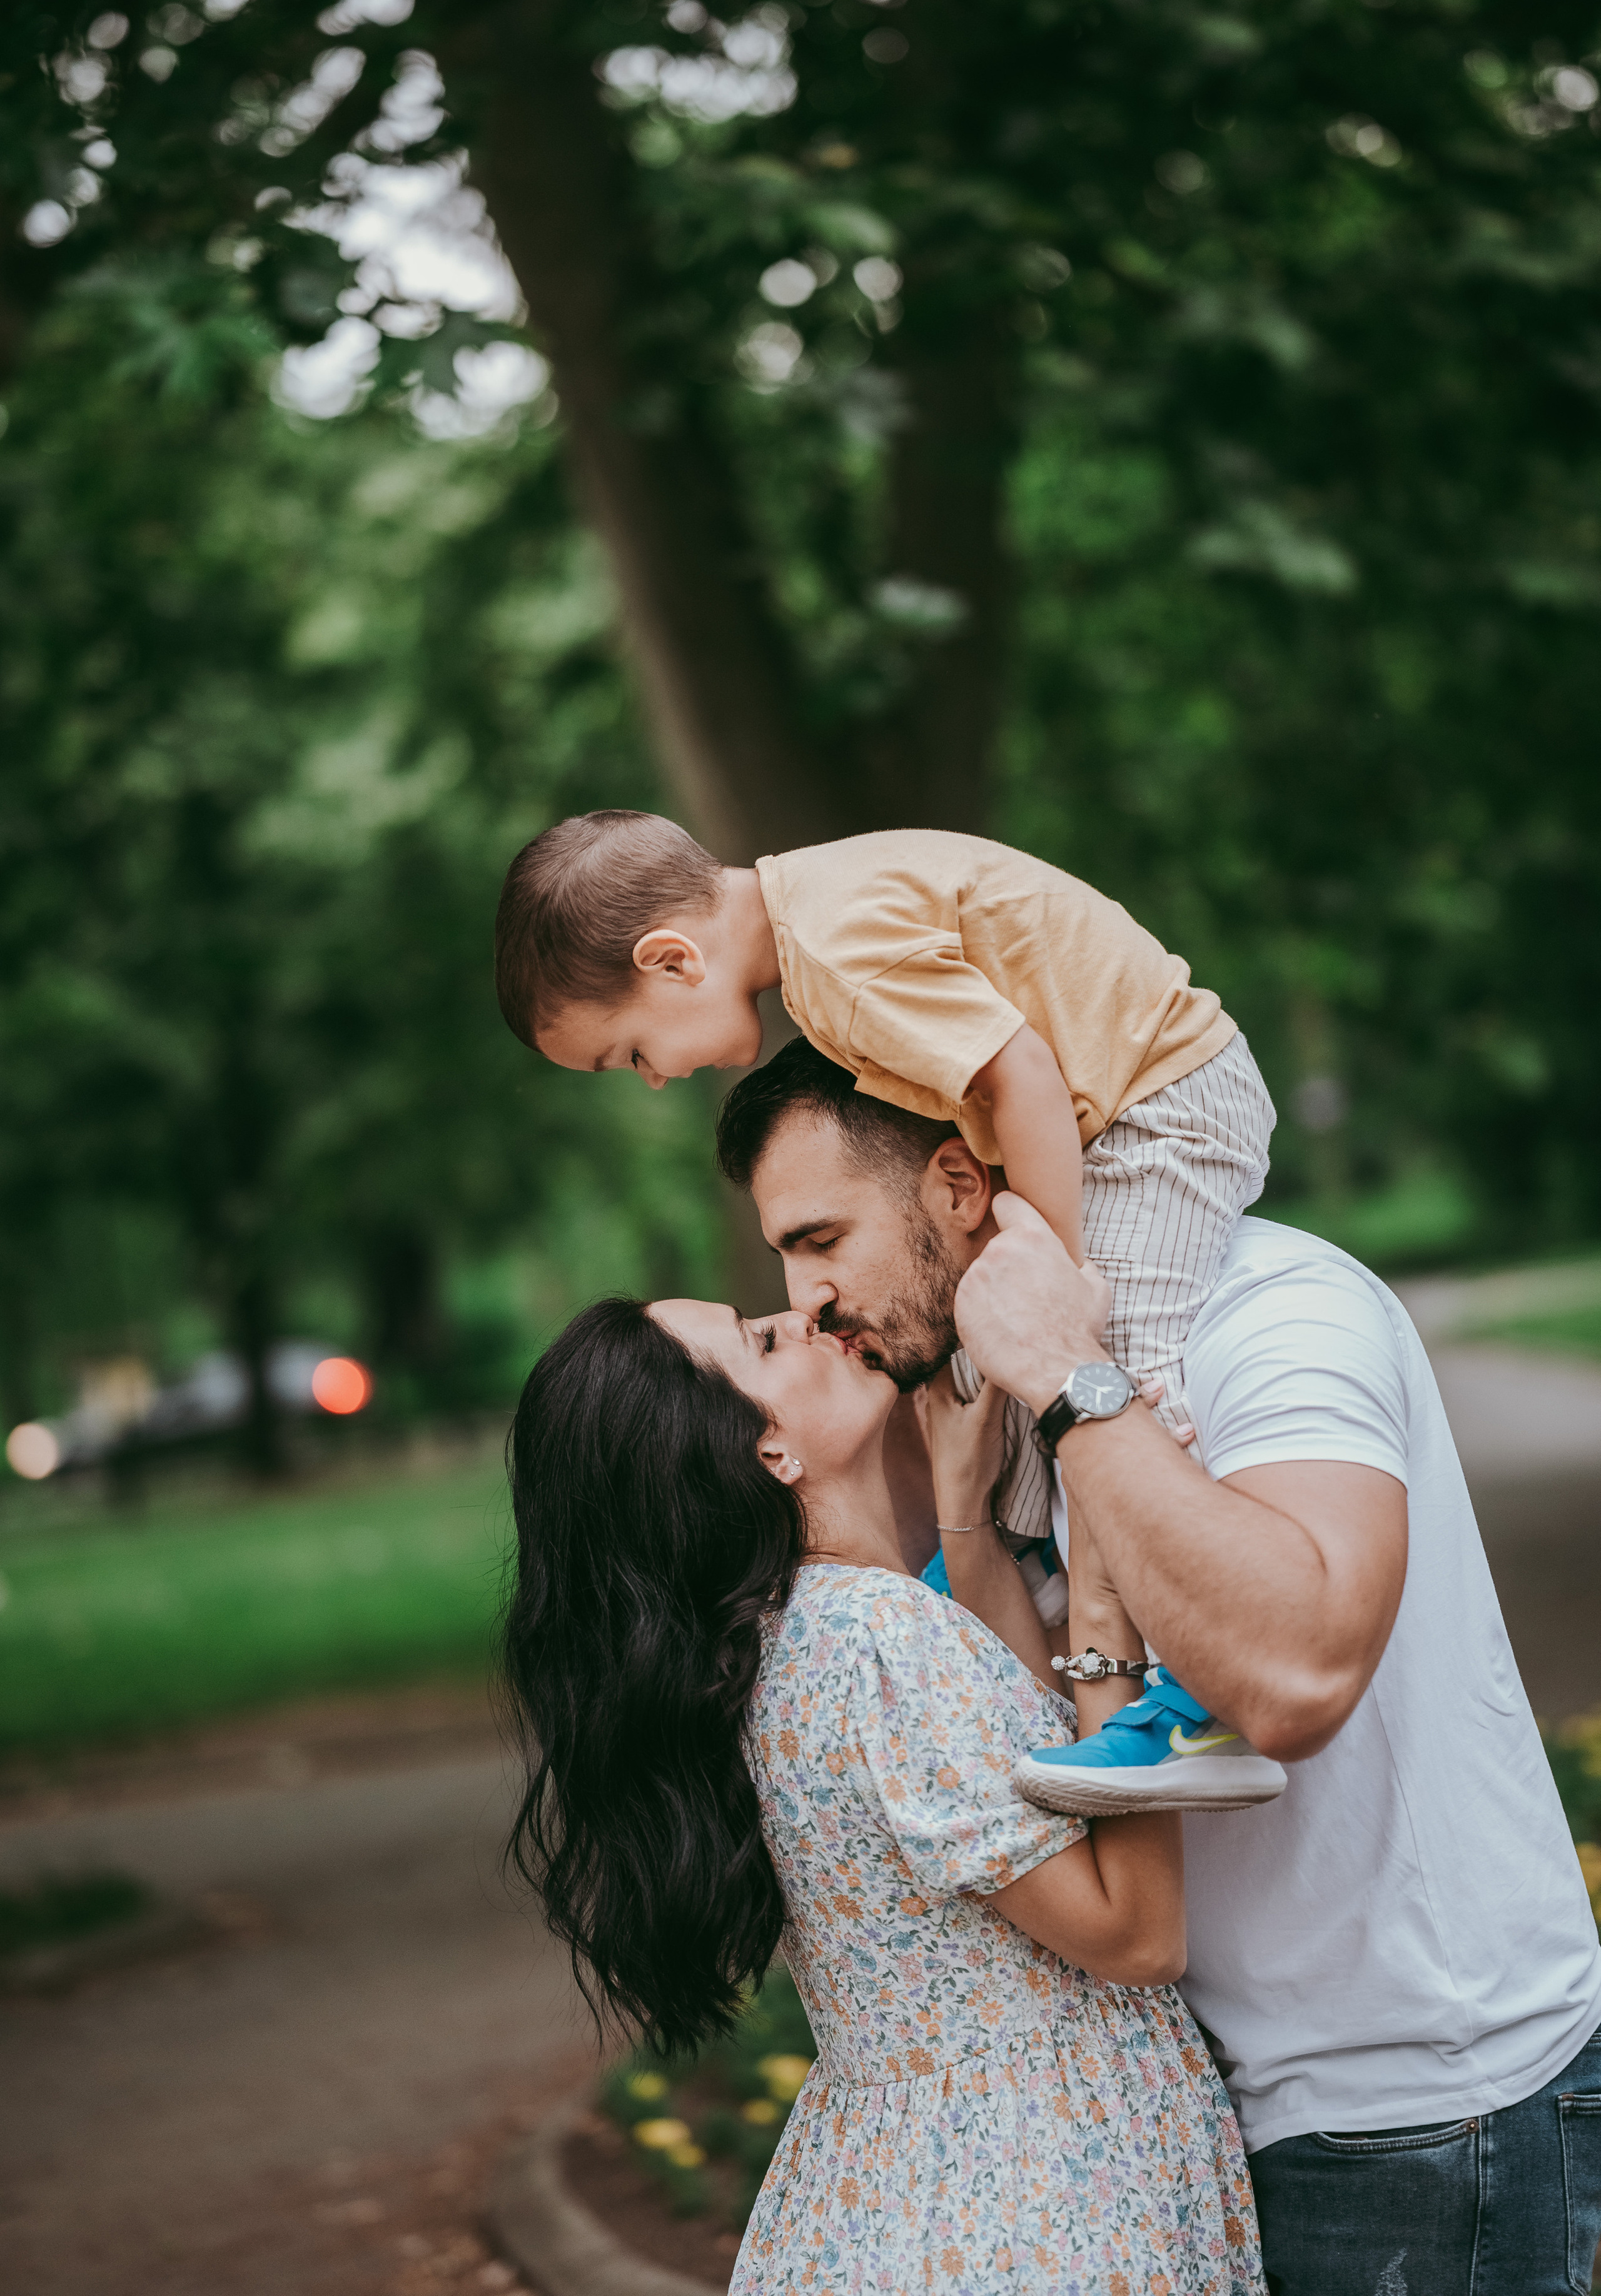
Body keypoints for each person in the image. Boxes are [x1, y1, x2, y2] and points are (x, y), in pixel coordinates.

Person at [714, 1040, 1601, 2296]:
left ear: (956, 1185)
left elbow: (1292, 1681)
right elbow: (1058, 1734)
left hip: (1411, 2095)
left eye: (820, 1239)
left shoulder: (1273, 1312)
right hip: (1220, 2099)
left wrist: (1072, 1394)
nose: (806, 1298)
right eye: (780, 1265)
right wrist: (970, 1517)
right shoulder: (1005, 1399)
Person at [495, 807, 1284, 1810]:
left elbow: (1024, 1077)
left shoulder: (838, 964)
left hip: (1160, 1110)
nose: (655, 1081)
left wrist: (1045, 1280)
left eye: (632, 1053)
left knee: (1107, 1381)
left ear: (672, 961)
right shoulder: (828, 923)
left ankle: (1201, 1701)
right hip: (1132, 1098)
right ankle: (1103, 1652)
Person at [499, 1291, 1263, 2295]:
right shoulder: (878, 1643)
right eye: (764, 1340)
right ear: (767, 1450)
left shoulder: (774, 1650)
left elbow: (1020, 1759)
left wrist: (966, 1512)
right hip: (1042, 2195)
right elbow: (1136, 1939)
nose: (804, 1312)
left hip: (901, 2188)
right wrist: (1110, 1605)